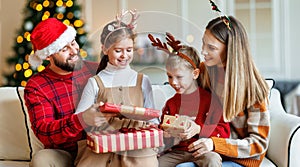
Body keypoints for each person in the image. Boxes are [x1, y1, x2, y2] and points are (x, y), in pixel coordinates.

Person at [24, 18, 115, 167]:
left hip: (99, 145)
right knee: (41, 160)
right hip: (65, 152)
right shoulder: (36, 86)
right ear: (48, 56)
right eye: (64, 49)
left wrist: (122, 34)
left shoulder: (95, 69)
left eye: (73, 43)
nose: (74, 51)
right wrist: (81, 120)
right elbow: (44, 132)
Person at [74, 10, 159, 167]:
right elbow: (80, 120)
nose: (124, 56)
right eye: (118, 50)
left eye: (129, 50)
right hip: (102, 149)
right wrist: (93, 117)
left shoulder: (142, 81)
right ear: (105, 49)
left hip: (137, 149)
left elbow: (153, 118)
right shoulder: (95, 82)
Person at [187, 16, 270, 167]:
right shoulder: (206, 72)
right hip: (210, 150)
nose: (203, 52)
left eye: (211, 48)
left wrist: (214, 144)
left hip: (240, 158)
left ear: (230, 49)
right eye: (203, 44)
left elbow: (258, 144)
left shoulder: (254, 88)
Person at [148, 33, 230, 167]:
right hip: (177, 153)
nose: (173, 82)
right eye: (169, 76)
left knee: (212, 159)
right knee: (153, 164)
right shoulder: (171, 104)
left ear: (195, 74)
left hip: (202, 150)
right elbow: (163, 136)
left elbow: (224, 131)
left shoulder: (211, 101)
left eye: (179, 77)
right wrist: (166, 136)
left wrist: (198, 129)